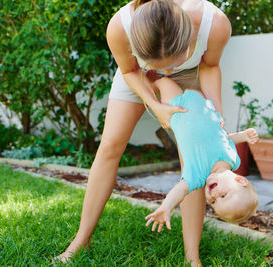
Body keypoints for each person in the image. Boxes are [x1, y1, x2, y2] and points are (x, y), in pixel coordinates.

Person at [55, 0, 233, 265]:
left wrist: (215, 113)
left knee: (195, 160)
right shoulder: (119, 27)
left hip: (191, 74)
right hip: (139, 73)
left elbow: (208, 66)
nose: (167, 72)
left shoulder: (214, 23)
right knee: (110, 147)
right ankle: (81, 240)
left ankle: (192, 258)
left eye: (173, 62)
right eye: (161, 65)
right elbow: (129, 69)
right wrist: (156, 105)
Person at [144, 77, 259, 233]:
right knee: (190, 76)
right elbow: (225, 140)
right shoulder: (233, 160)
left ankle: (146, 83)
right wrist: (243, 136)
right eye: (224, 195)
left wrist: (166, 206)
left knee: (162, 81)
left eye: (213, 201)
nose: (214, 195)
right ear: (240, 180)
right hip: (202, 105)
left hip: (177, 109)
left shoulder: (197, 176)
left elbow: (180, 191)